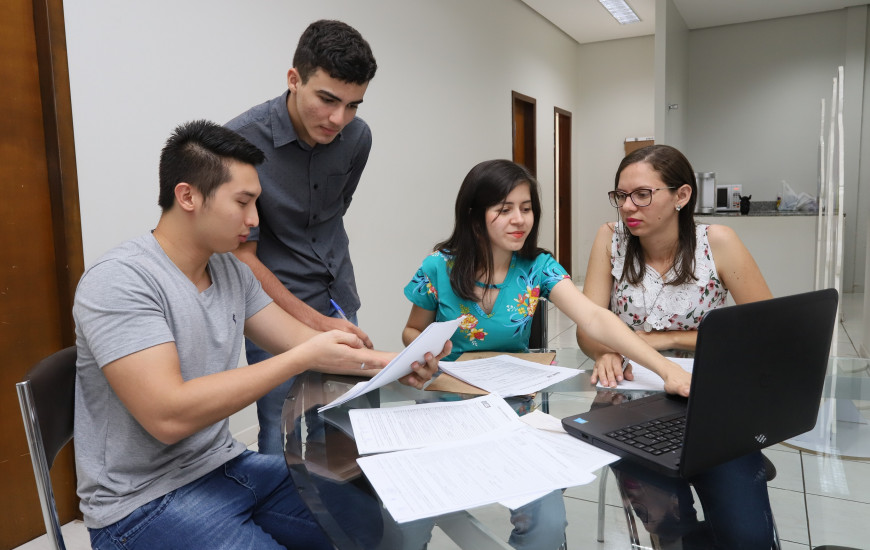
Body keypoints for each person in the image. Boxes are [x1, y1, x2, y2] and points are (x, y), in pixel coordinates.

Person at [73, 120, 444, 550]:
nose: (253, 221)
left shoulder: (229, 269)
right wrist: (303, 357)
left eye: (257, 203)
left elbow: (305, 343)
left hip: (223, 465)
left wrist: (402, 362)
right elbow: (168, 417)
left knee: (370, 520)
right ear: (188, 195)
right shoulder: (121, 281)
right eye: (243, 202)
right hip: (141, 504)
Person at [402, 159, 694, 550]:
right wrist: (423, 352)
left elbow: (594, 316)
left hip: (514, 412)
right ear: (474, 216)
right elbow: (412, 330)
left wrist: (665, 369)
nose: (519, 219)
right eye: (504, 209)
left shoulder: (537, 267)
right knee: (406, 512)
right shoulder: (439, 267)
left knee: (548, 520)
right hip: (444, 407)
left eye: (526, 208)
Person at [577, 144, 774, 549]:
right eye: (621, 196)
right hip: (630, 399)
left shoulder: (716, 242)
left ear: (681, 196)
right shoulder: (610, 240)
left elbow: (764, 330)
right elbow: (587, 325)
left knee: (747, 535)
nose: (628, 207)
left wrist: (663, 339)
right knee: (669, 523)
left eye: (643, 195)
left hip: (710, 397)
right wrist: (605, 350)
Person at [226, 19, 378, 454]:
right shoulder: (239, 143)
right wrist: (317, 324)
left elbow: (332, 216)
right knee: (281, 437)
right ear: (294, 80)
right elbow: (242, 257)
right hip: (273, 308)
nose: (338, 119)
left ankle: (341, 522)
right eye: (328, 99)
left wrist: (334, 316)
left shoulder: (357, 137)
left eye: (352, 105)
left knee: (347, 432)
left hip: (336, 296)